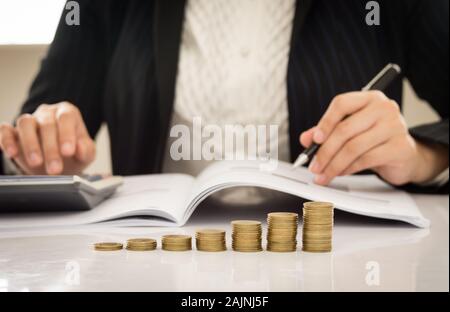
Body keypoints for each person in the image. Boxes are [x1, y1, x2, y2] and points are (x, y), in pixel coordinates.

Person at [0, 0, 448, 194]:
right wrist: (43, 149)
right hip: (146, 269)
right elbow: (33, 131)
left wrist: (422, 157)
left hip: (338, 266)